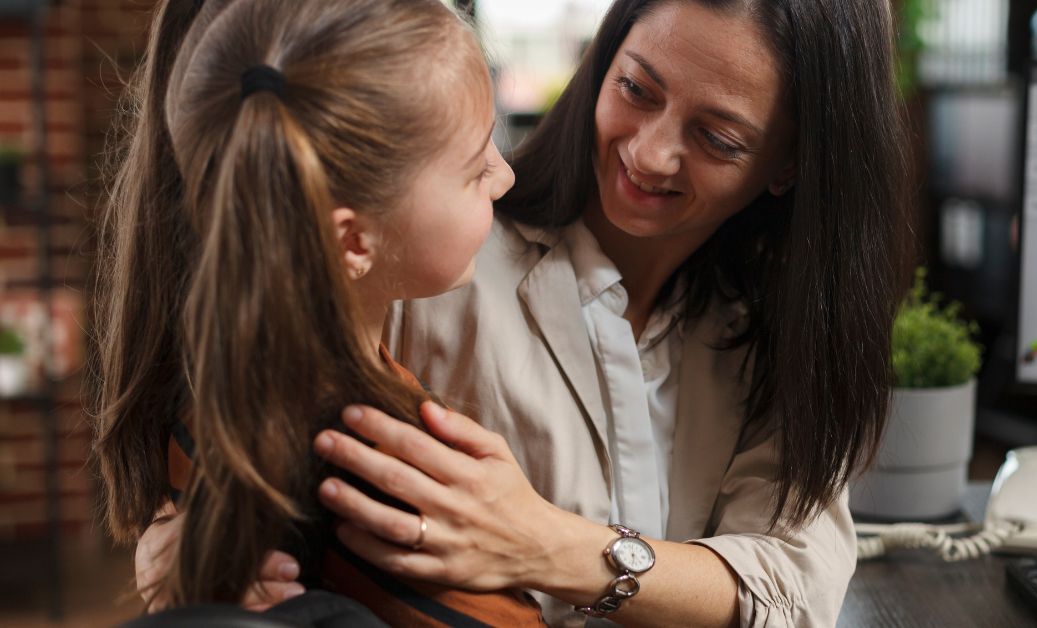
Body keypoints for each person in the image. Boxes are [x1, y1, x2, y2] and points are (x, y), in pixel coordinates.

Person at [138, 0, 909, 625]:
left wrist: (547, 547)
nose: (648, 153)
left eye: (716, 137)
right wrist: (195, 544)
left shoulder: (783, 334)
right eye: (636, 88)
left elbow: (798, 593)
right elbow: (264, 439)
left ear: (791, 163)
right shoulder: (434, 259)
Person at [91, 0, 543, 624]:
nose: (505, 176)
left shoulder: (221, 389)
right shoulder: (378, 474)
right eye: (474, 169)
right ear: (353, 241)